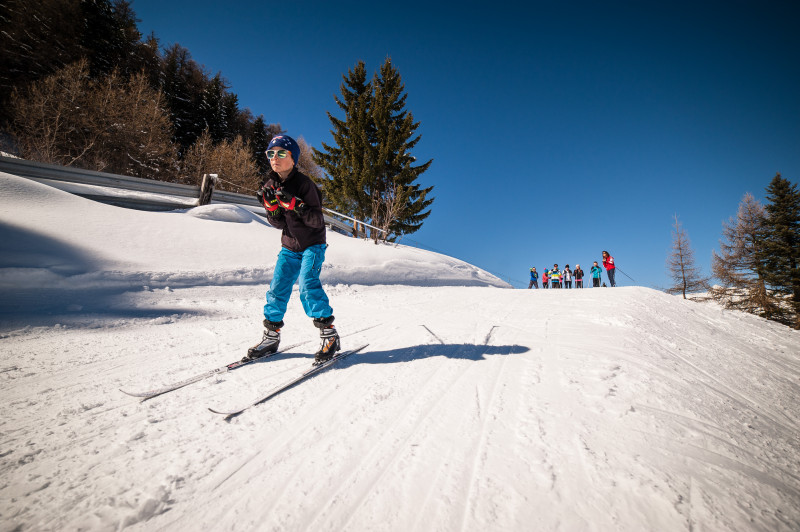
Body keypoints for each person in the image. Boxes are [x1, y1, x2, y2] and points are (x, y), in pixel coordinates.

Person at [245, 135, 340, 365]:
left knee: (307, 284)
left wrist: (296, 205)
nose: (274, 158)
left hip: (312, 245)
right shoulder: (269, 185)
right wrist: (272, 209)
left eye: (280, 153)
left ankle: (330, 336)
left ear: (293, 158)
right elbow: (278, 224)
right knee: (277, 288)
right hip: (289, 245)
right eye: (270, 154)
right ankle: (270, 338)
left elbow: (317, 221)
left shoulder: (305, 185)